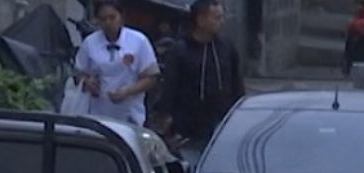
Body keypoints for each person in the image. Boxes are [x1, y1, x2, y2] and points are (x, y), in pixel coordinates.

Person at [162, 0, 245, 148]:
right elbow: (170, 88)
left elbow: (236, 83)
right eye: (217, 18)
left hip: (222, 124)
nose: (222, 22)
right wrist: (168, 121)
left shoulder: (226, 47)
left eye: (222, 17)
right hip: (189, 128)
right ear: (201, 20)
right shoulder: (180, 51)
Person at [73, 0, 161, 127]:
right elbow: (79, 72)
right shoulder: (90, 43)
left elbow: (151, 77)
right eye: (103, 19)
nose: (108, 23)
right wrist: (87, 82)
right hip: (97, 112)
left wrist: (127, 92)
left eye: (112, 17)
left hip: (129, 112)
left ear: (121, 17)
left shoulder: (138, 41)